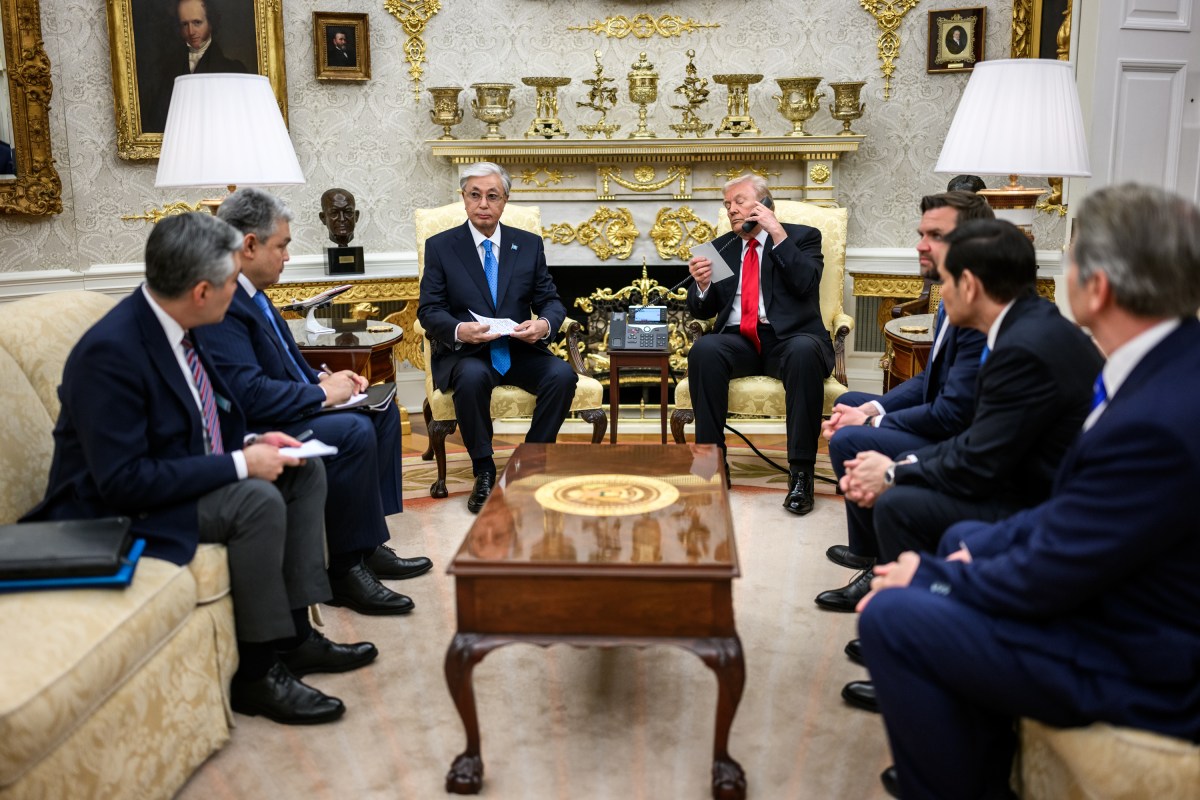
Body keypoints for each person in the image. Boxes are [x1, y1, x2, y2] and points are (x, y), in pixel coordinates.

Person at [857, 183, 1200, 800]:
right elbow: (1078, 513)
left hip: (1148, 663)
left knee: (894, 615)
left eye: (1069, 258)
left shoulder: (1157, 419)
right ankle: (979, 758)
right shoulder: (1172, 363)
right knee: (966, 540)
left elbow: (1059, 567)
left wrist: (937, 578)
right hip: (1129, 599)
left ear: (1095, 287)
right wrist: (969, 557)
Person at [22, 213, 375, 725]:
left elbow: (211, 418)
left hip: (172, 476)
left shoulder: (180, 325)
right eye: (233, 280)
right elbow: (122, 481)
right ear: (204, 290)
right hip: (115, 509)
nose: (241, 291)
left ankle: (296, 637)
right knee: (254, 499)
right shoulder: (110, 354)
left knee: (299, 465)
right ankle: (256, 674)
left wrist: (256, 441)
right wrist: (240, 463)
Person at [815, 219, 1102, 615]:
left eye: (946, 282)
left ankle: (902, 623)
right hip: (1012, 472)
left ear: (969, 285)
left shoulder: (1023, 349)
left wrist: (893, 472)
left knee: (899, 503)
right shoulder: (1028, 325)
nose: (941, 293)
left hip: (1035, 500)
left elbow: (978, 457)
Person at [204, 188, 429, 616]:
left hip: (291, 402)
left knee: (378, 407)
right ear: (249, 245)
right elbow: (249, 392)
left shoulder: (256, 293)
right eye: (282, 246)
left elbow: (286, 361)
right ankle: (344, 569)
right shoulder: (227, 300)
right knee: (353, 428)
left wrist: (323, 377)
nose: (288, 257)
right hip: (261, 424)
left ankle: (369, 544)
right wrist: (322, 395)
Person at [821, 192, 991, 591]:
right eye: (921, 233)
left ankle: (880, 564)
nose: (920, 245)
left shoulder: (979, 304)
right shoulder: (950, 296)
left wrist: (875, 418)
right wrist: (873, 405)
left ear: (972, 240)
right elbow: (928, 378)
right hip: (942, 414)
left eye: (935, 234)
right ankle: (865, 548)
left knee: (850, 436)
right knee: (848, 401)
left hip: (953, 437)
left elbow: (953, 411)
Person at [417, 162, 577, 513]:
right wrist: (460, 330)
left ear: (504, 201)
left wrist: (544, 326)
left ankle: (531, 464)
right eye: (475, 195)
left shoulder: (529, 245)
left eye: (492, 196)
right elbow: (429, 310)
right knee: (472, 379)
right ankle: (484, 469)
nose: (483, 204)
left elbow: (549, 300)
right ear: (464, 199)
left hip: (518, 348)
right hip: (469, 353)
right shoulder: (442, 247)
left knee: (562, 375)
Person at [685, 174, 833, 515]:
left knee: (802, 352)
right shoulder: (721, 248)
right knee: (705, 350)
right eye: (727, 205)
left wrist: (776, 233)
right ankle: (711, 466)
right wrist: (703, 285)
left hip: (789, 340)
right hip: (740, 341)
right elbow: (702, 309)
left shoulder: (802, 237)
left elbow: (805, 283)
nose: (732, 210)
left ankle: (800, 475)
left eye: (739, 201)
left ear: (764, 204)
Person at [143, 0, 250, 133]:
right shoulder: (166, 69)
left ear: (211, 23)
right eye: (184, 24)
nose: (191, 31)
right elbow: (156, 119)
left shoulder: (233, 69)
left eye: (197, 23)